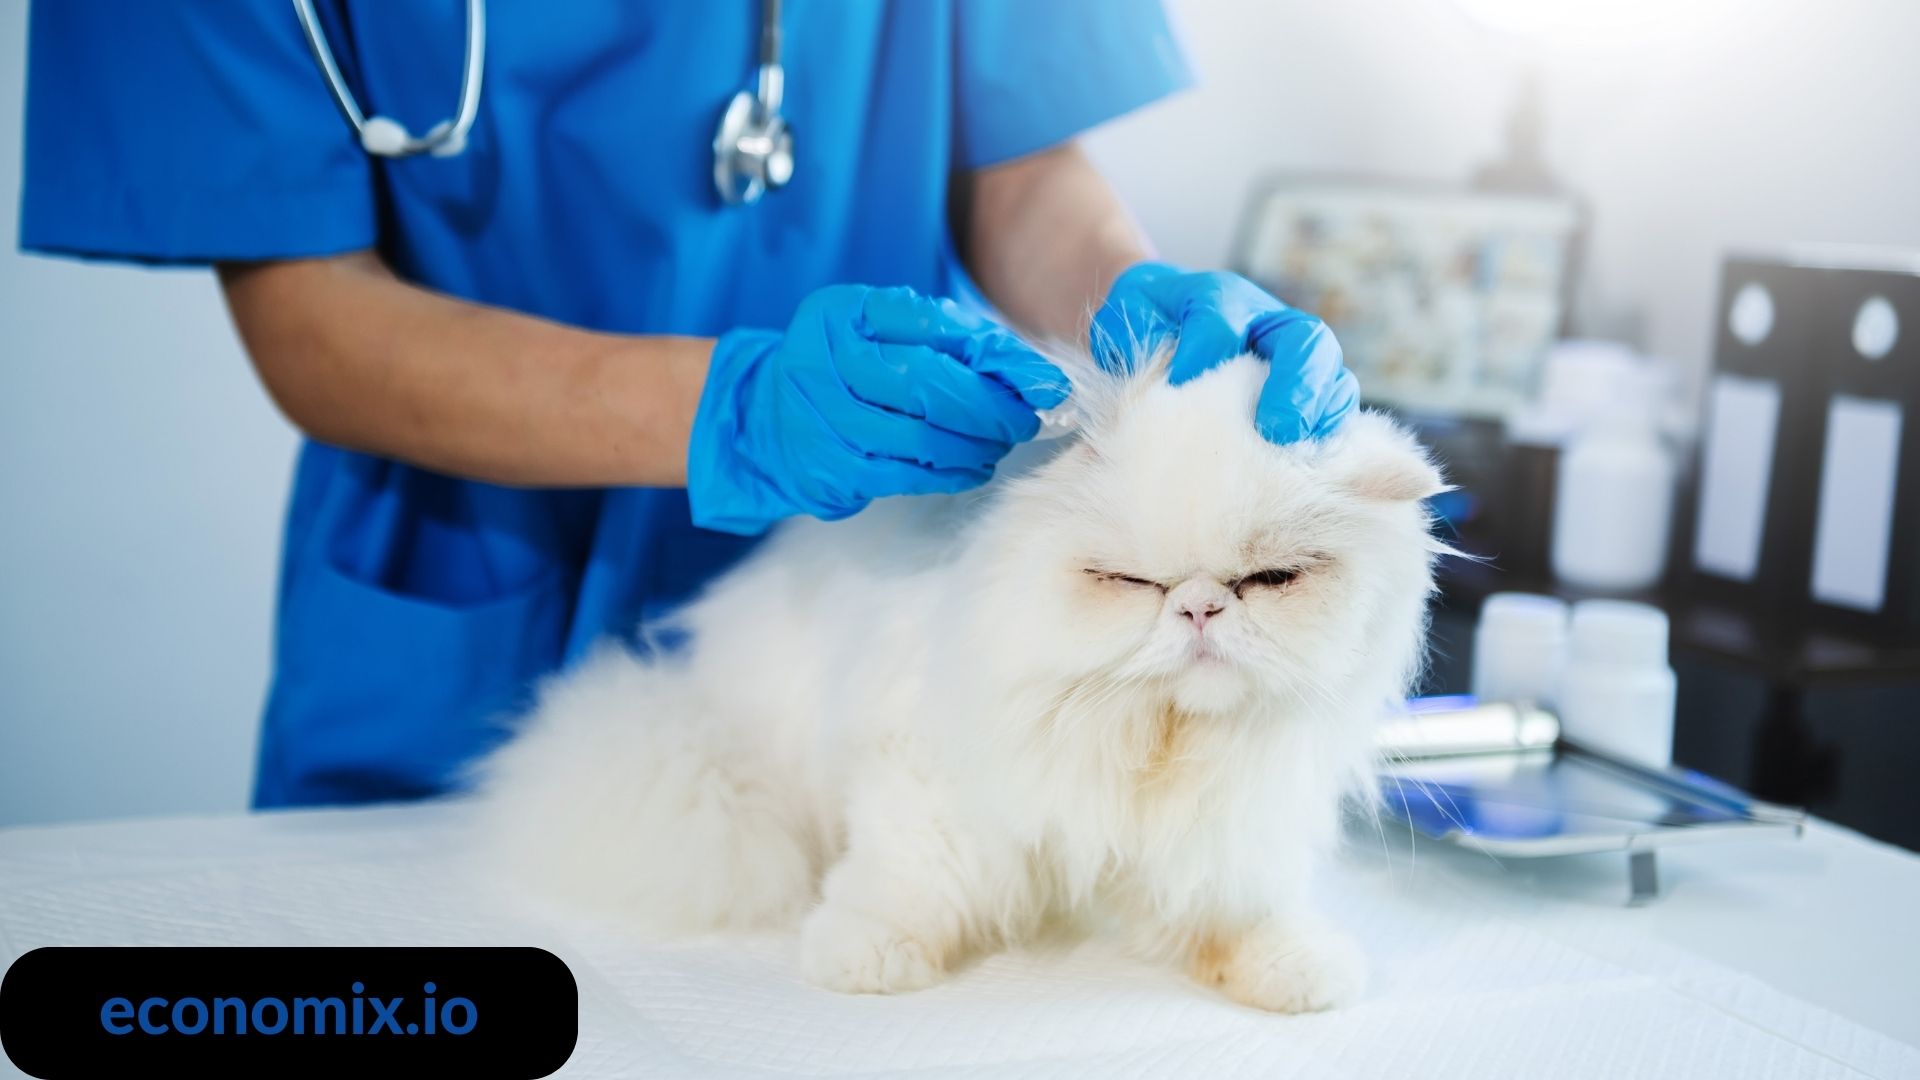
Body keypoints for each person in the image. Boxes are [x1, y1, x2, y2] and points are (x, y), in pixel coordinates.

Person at [20, 1, 1358, 809]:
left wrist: (1137, 304)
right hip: (471, 609)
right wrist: (740, 409)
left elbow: (1021, 172)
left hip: (870, 604)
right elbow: (311, 321)